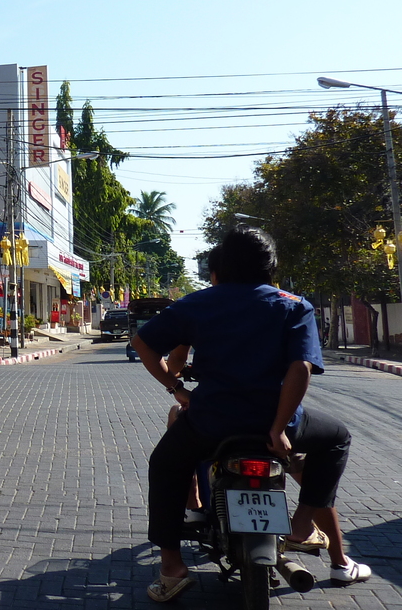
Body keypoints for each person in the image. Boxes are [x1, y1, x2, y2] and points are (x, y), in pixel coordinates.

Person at [132, 225, 371, 603]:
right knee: (337, 438)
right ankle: (302, 525)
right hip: (275, 423)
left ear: (222, 266)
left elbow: (142, 343)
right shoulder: (293, 304)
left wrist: (177, 390)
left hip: (210, 423)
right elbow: (300, 367)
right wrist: (278, 429)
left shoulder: (197, 303)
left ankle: (172, 566)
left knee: (165, 465)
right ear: (271, 265)